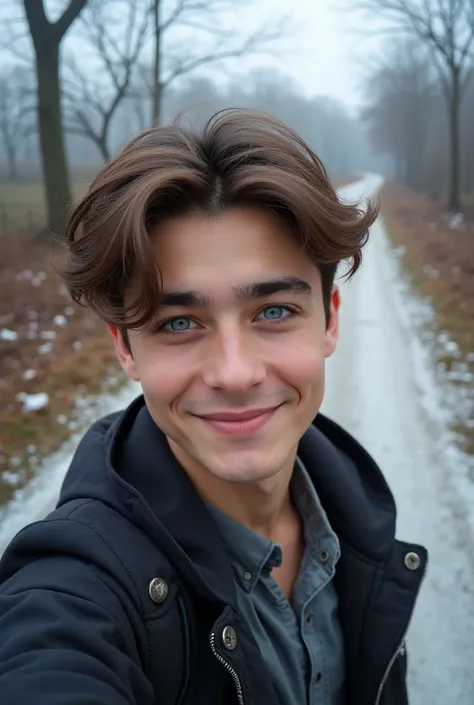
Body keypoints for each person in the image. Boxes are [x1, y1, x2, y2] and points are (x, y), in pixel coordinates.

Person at [0, 109, 427, 705]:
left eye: (273, 312)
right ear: (125, 347)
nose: (234, 372)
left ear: (330, 318)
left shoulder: (355, 520)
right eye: (179, 322)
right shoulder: (78, 590)